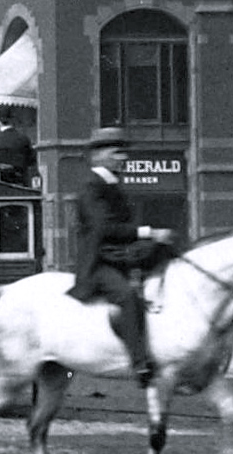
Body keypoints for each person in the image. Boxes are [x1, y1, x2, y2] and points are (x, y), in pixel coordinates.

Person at [68, 127, 176, 387]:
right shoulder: (92, 188)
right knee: (127, 297)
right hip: (98, 263)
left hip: (119, 255)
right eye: (117, 152)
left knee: (168, 259)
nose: (123, 158)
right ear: (99, 155)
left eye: (123, 152)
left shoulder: (112, 185)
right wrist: (150, 232)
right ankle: (140, 363)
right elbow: (105, 229)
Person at [0, 110, 36, 182]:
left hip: (1, 182)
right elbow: (32, 161)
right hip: (21, 182)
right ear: (12, 120)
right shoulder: (24, 139)